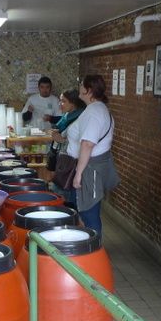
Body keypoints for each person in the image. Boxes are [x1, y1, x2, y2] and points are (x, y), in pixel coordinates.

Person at [57, 74, 118, 237]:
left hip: (89, 168)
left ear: (89, 91)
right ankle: (90, 248)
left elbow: (87, 144)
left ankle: (94, 251)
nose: (79, 88)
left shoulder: (94, 112)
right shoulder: (95, 109)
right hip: (90, 166)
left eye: (82, 85)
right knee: (85, 210)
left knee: (89, 213)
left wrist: (78, 174)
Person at [48, 89, 86, 205]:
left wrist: (61, 140)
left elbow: (81, 143)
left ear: (73, 103)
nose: (60, 104)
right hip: (64, 161)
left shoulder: (79, 118)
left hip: (72, 163)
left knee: (69, 198)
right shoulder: (67, 116)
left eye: (63, 101)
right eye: (60, 101)